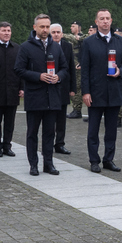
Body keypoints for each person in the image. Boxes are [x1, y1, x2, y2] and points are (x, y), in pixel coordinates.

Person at [16, 14, 69, 176]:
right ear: (35, 28)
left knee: (49, 133)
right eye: (42, 27)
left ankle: (48, 164)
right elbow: (19, 69)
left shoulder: (56, 47)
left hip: (52, 97)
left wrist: (58, 77)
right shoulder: (26, 47)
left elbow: (65, 68)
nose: (45, 30)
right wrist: (38, 76)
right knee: (32, 133)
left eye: (47, 27)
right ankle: (33, 164)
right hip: (34, 97)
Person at [81, 9, 122, 173]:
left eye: (107, 18)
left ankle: (108, 159)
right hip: (95, 92)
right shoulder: (89, 42)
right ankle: (94, 160)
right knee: (93, 130)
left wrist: (120, 71)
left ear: (111, 20)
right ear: (96, 22)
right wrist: (85, 92)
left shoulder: (120, 41)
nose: (105, 21)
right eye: (101, 19)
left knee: (111, 130)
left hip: (114, 91)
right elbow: (85, 70)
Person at [0, 21, 21, 158]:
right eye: (4, 30)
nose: (6, 33)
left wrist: (22, 87)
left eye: (8, 30)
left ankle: (7, 146)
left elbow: (21, 69)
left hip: (12, 91)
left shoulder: (17, 48)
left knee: (10, 122)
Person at [51, 23, 76, 155]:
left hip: (63, 87)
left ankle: (60, 144)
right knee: (49, 119)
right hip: (49, 87)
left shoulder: (67, 46)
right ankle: (48, 143)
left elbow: (71, 67)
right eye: (53, 32)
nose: (56, 35)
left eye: (58, 32)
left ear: (62, 34)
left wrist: (72, 88)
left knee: (61, 119)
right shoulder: (45, 46)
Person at [65, 21, 84, 119]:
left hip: (78, 67)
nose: (71, 28)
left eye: (73, 26)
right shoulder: (72, 39)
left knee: (77, 87)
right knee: (74, 86)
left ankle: (77, 110)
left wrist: (61, 34)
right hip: (73, 66)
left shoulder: (81, 37)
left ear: (79, 28)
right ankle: (75, 109)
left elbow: (74, 39)